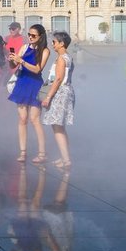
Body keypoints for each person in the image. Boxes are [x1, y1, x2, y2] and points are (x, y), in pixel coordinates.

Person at [8, 23, 50, 164]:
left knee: (35, 119)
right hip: (22, 83)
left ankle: (42, 153)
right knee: (22, 119)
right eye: (29, 35)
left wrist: (22, 61)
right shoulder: (24, 47)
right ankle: (23, 152)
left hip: (35, 84)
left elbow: (38, 69)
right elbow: (15, 66)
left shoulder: (44, 51)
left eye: (33, 35)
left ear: (40, 36)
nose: (30, 37)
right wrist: (12, 61)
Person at [41, 32, 75, 169]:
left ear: (62, 43)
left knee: (57, 126)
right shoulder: (67, 57)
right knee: (60, 126)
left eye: (54, 42)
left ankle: (66, 160)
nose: (52, 44)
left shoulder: (62, 58)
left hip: (60, 93)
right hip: (66, 91)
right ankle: (64, 157)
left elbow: (59, 79)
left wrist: (48, 97)